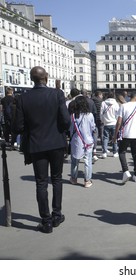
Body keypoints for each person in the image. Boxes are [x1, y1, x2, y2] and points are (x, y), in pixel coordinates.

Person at [13, 66, 71, 233]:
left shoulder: (24, 98)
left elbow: (18, 126)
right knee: (57, 179)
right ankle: (57, 215)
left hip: (36, 145)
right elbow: (66, 121)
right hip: (56, 144)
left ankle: (45, 221)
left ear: (31, 79)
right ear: (46, 77)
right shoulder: (57, 94)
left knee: (41, 182)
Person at [113, 91, 136, 184]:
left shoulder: (123, 106)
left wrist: (115, 135)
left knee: (122, 152)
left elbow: (119, 122)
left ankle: (126, 171)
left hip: (125, 134)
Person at [69, 96, 96, 188]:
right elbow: (93, 127)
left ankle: (74, 178)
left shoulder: (72, 116)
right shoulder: (90, 115)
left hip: (76, 140)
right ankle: (87, 181)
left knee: (74, 161)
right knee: (87, 161)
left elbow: (71, 129)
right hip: (87, 141)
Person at [100, 91, 120, 158]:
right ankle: (115, 152)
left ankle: (104, 152)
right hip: (114, 123)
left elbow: (101, 113)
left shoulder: (103, 103)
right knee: (115, 138)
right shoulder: (116, 104)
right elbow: (117, 114)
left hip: (106, 123)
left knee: (105, 138)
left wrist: (103, 121)